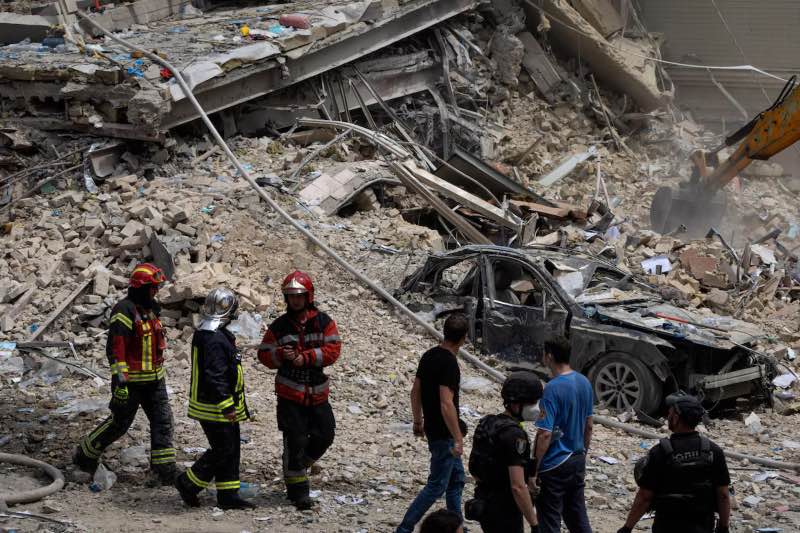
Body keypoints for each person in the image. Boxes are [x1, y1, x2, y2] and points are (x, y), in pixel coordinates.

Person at [73, 263, 177, 484]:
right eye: (153, 287)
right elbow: (116, 348)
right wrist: (121, 382)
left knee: (163, 421)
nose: (156, 291)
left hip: (155, 381)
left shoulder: (151, 309)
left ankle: (164, 470)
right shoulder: (124, 310)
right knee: (119, 423)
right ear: (141, 288)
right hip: (131, 383)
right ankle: (85, 454)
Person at [257, 271, 341, 510]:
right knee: (295, 441)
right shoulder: (279, 326)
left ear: (308, 296)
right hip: (290, 395)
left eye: (299, 296)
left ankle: (299, 464)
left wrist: (306, 357)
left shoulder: (324, 322)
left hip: (317, 393)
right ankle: (298, 493)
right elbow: (264, 354)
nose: (295, 300)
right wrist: (280, 355)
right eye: (291, 296)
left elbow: (333, 349)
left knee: (325, 435)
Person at [174, 288, 255, 510]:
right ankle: (188, 483)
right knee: (224, 449)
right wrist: (227, 405)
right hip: (215, 407)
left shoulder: (211, 333)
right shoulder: (214, 338)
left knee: (230, 448)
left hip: (217, 404)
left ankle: (228, 495)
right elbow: (215, 374)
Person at [617, 393, 731, 533]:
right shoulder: (714, 451)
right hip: (702, 527)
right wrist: (724, 527)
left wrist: (627, 528)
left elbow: (645, 497)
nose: (668, 416)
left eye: (670, 413)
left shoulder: (659, 452)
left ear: (676, 418)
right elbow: (723, 495)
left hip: (666, 527)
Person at [396, 314, 468, 533]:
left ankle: (457, 526)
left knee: (456, 480)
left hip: (433, 428)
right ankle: (404, 529)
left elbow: (415, 391)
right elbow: (446, 403)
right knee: (437, 486)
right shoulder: (450, 363)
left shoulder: (429, 355)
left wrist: (418, 422)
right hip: (445, 434)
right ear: (464, 338)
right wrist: (458, 438)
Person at [468, 371, 543, 533]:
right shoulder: (514, 435)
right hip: (504, 509)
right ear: (515, 403)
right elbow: (517, 486)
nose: (536, 407)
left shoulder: (488, 423)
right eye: (532, 402)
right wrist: (534, 523)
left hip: (484, 501)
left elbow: (475, 467)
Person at [533, 339, 593, 533]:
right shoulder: (584, 382)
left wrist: (534, 469)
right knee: (578, 519)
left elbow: (545, 434)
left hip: (554, 463)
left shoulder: (552, 388)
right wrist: (582, 454)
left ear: (549, 356)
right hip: (576, 459)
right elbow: (589, 426)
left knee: (549, 521)